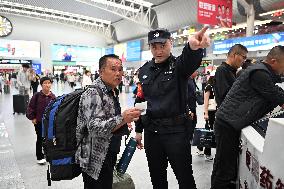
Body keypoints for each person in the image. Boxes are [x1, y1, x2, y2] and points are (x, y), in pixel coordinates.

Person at [134, 27, 210, 189]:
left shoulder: (178, 66)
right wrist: (138, 129)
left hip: (176, 133)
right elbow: (141, 100)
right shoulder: (144, 71)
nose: (159, 50)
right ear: (150, 47)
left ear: (170, 43)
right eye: (154, 46)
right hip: (152, 133)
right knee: (157, 178)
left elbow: (189, 60)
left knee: (185, 177)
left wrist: (193, 47)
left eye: (163, 45)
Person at [211, 45, 284, 189]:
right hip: (228, 124)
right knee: (224, 169)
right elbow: (276, 94)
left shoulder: (260, 71)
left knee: (228, 166)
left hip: (230, 123)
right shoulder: (259, 73)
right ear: (274, 61)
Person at [75, 54, 141, 189]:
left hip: (107, 153)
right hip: (95, 159)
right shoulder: (93, 93)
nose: (118, 73)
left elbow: (107, 119)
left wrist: (123, 122)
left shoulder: (110, 91)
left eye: (120, 69)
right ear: (101, 71)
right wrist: (122, 118)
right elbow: (94, 128)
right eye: (113, 69)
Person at [26, 77, 55, 164]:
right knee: (40, 137)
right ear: (41, 85)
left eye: (49, 83)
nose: (47, 85)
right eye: (45, 83)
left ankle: (47, 153)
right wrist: (32, 118)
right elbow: (30, 107)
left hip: (49, 122)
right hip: (38, 121)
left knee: (48, 138)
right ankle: (39, 156)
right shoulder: (37, 95)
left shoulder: (53, 97)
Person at [197, 71, 216, 161]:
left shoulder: (217, 87)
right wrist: (206, 113)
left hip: (215, 112)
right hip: (210, 112)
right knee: (209, 132)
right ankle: (207, 153)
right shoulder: (209, 87)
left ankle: (200, 147)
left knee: (208, 131)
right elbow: (206, 101)